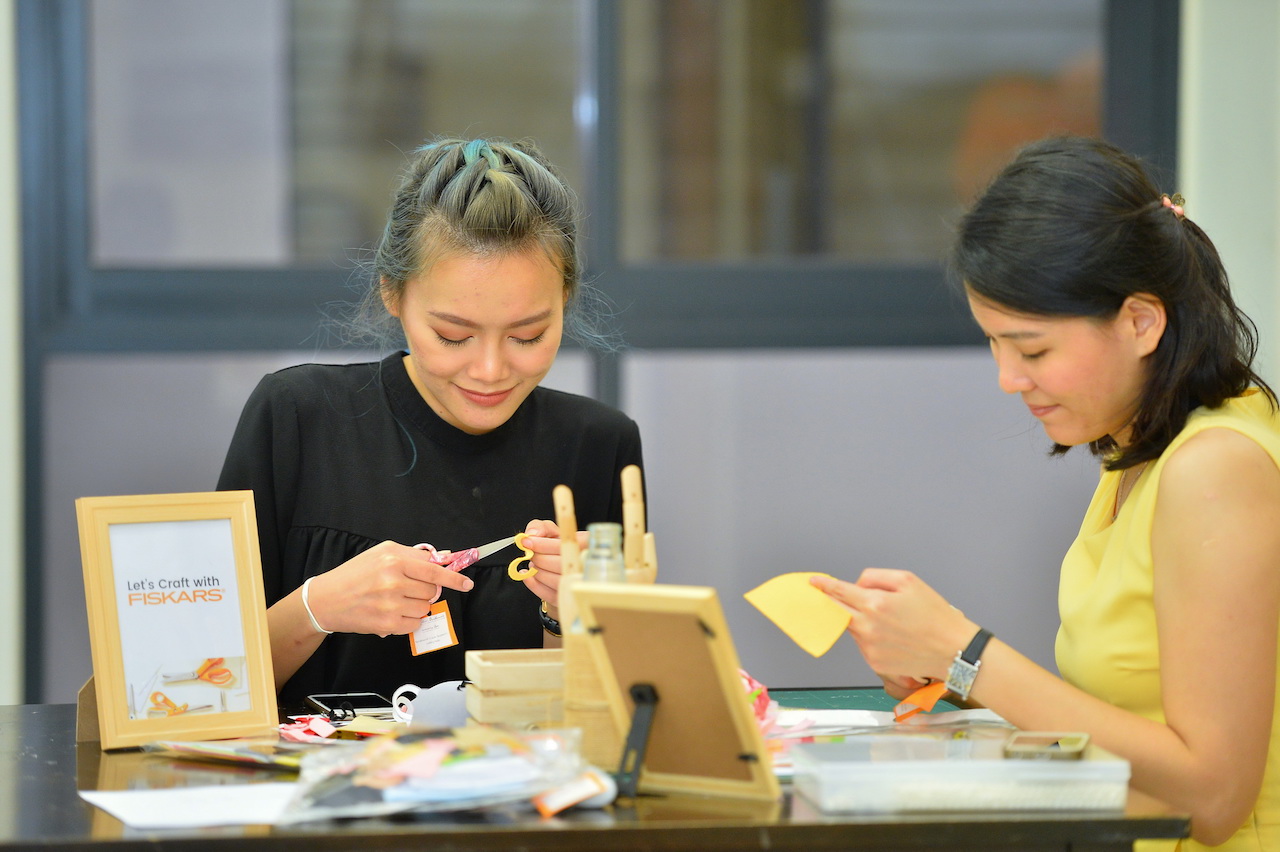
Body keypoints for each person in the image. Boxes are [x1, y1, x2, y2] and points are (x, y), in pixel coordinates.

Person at [812, 136, 1280, 851]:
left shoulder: (1214, 469)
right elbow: (1130, 721)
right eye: (994, 345)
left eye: (1032, 350)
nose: (1008, 378)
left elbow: (1213, 798)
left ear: (1141, 321)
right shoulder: (1141, 447)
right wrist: (951, 671)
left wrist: (965, 652)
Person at [218, 137, 643, 708]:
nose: (490, 370)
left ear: (565, 298)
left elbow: (611, 716)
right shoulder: (296, 416)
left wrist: (564, 619)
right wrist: (316, 607)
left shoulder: (598, 446)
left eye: (528, 336)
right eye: (453, 336)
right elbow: (198, 685)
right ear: (393, 294)